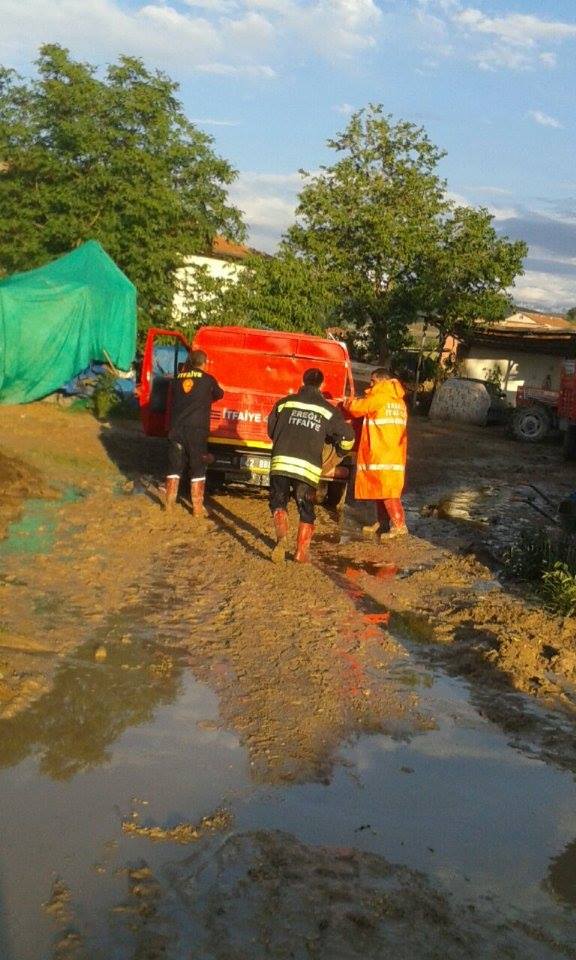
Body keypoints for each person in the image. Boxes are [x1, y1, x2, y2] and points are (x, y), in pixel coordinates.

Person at [267, 368, 355, 564]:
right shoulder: (328, 410)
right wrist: (340, 451)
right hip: (307, 469)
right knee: (306, 508)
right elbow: (348, 436)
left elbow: (270, 429)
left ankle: (282, 539)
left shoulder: (284, 403)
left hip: (280, 463)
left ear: (303, 381)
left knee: (278, 502)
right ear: (321, 385)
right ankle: (300, 553)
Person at [343, 367, 408, 539]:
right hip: (392, 453)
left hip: (381, 452)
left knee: (388, 491)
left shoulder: (380, 397)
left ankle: (399, 525)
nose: (370, 384)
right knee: (383, 489)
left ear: (381, 381)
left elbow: (358, 408)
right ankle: (383, 522)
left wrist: (347, 402)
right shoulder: (398, 401)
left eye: (372, 381)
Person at [164, 349, 224, 516]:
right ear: (204, 363)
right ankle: (197, 508)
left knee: (174, 465)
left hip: (176, 429)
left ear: (189, 362)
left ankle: (169, 503)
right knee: (198, 466)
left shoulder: (176, 380)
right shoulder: (208, 380)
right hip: (196, 430)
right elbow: (220, 394)